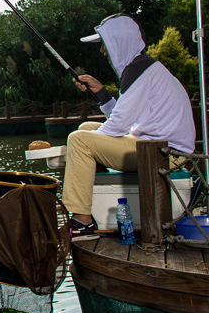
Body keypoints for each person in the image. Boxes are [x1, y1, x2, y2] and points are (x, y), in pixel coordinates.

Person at [63, 13, 195, 238]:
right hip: (156, 147)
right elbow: (128, 121)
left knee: (79, 139)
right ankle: (90, 186)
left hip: (163, 154)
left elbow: (117, 127)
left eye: (104, 44)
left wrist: (95, 149)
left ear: (118, 43)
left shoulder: (138, 71)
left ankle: (82, 220)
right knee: (86, 129)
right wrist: (103, 94)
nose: (103, 51)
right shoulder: (144, 67)